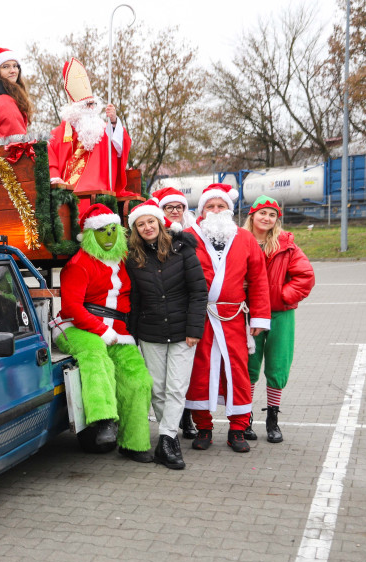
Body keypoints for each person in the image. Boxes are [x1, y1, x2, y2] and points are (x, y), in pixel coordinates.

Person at [51, 203, 154, 461]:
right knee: (95, 354)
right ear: (88, 235)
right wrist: (99, 329)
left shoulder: (125, 259)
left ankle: (134, 443)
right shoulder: (79, 264)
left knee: (138, 379)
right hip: (75, 327)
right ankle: (104, 419)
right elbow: (72, 307)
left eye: (112, 229)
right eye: (101, 231)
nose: (108, 236)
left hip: (118, 330)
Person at [184, 183, 271, 453]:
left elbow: (258, 279)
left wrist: (259, 318)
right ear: (201, 211)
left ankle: (238, 429)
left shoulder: (244, 238)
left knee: (237, 370)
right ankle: (204, 427)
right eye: (209, 206)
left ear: (229, 210)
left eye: (220, 205)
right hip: (200, 317)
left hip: (233, 317)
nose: (215, 210)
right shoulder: (188, 237)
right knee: (200, 371)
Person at [125, 200, 208, 470]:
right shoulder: (133, 258)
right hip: (151, 332)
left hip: (183, 332)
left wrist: (194, 329)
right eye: (141, 224)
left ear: (160, 223)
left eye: (151, 221)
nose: (147, 227)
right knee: (158, 389)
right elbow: (134, 299)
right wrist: (133, 334)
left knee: (176, 387)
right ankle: (168, 438)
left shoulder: (182, 249)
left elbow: (199, 292)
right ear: (135, 230)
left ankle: (167, 439)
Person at [242, 195, 315, 443]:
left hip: (280, 314)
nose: (267, 218)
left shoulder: (286, 244)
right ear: (252, 215)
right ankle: (244, 418)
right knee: (249, 366)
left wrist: (282, 296)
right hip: (249, 313)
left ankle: (272, 419)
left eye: (272, 215)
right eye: (262, 213)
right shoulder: (239, 241)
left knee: (278, 365)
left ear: (277, 220)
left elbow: (305, 276)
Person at [49, 58, 131, 203]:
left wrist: (114, 122)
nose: (92, 108)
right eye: (87, 105)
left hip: (100, 191)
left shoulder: (102, 130)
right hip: (69, 194)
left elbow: (120, 146)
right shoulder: (57, 135)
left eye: (93, 104)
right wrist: (56, 181)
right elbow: (51, 163)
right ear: (76, 109)